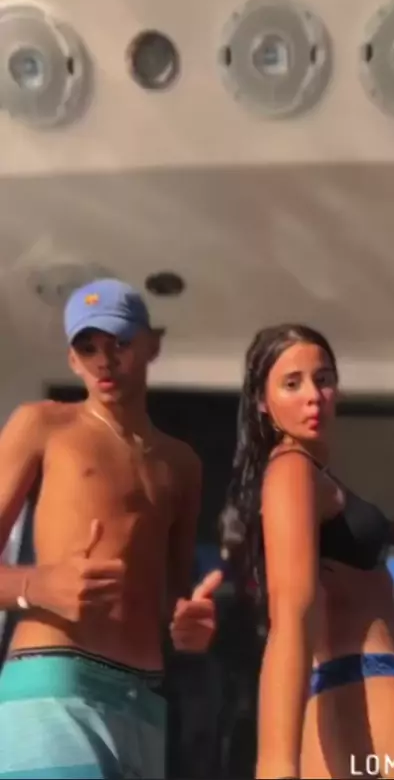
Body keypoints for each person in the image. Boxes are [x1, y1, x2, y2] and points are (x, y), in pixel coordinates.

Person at [219, 323, 394, 779]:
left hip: (356, 719)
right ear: (262, 401)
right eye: (292, 384)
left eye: (323, 379)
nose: (313, 396)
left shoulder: (312, 480)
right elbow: (292, 617)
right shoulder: (291, 472)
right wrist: (276, 764)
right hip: (376, 710)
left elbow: (341, 542)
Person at [0, 278, 219, 780]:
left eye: (119, 342)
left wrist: (189, 624)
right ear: (72, 360)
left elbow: (172, 596)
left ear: (152, 344)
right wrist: (37, 585)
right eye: (88, 347)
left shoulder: (181, 463)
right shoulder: (43, 425)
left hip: (143, 696)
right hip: (54, 682)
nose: (105, 360)